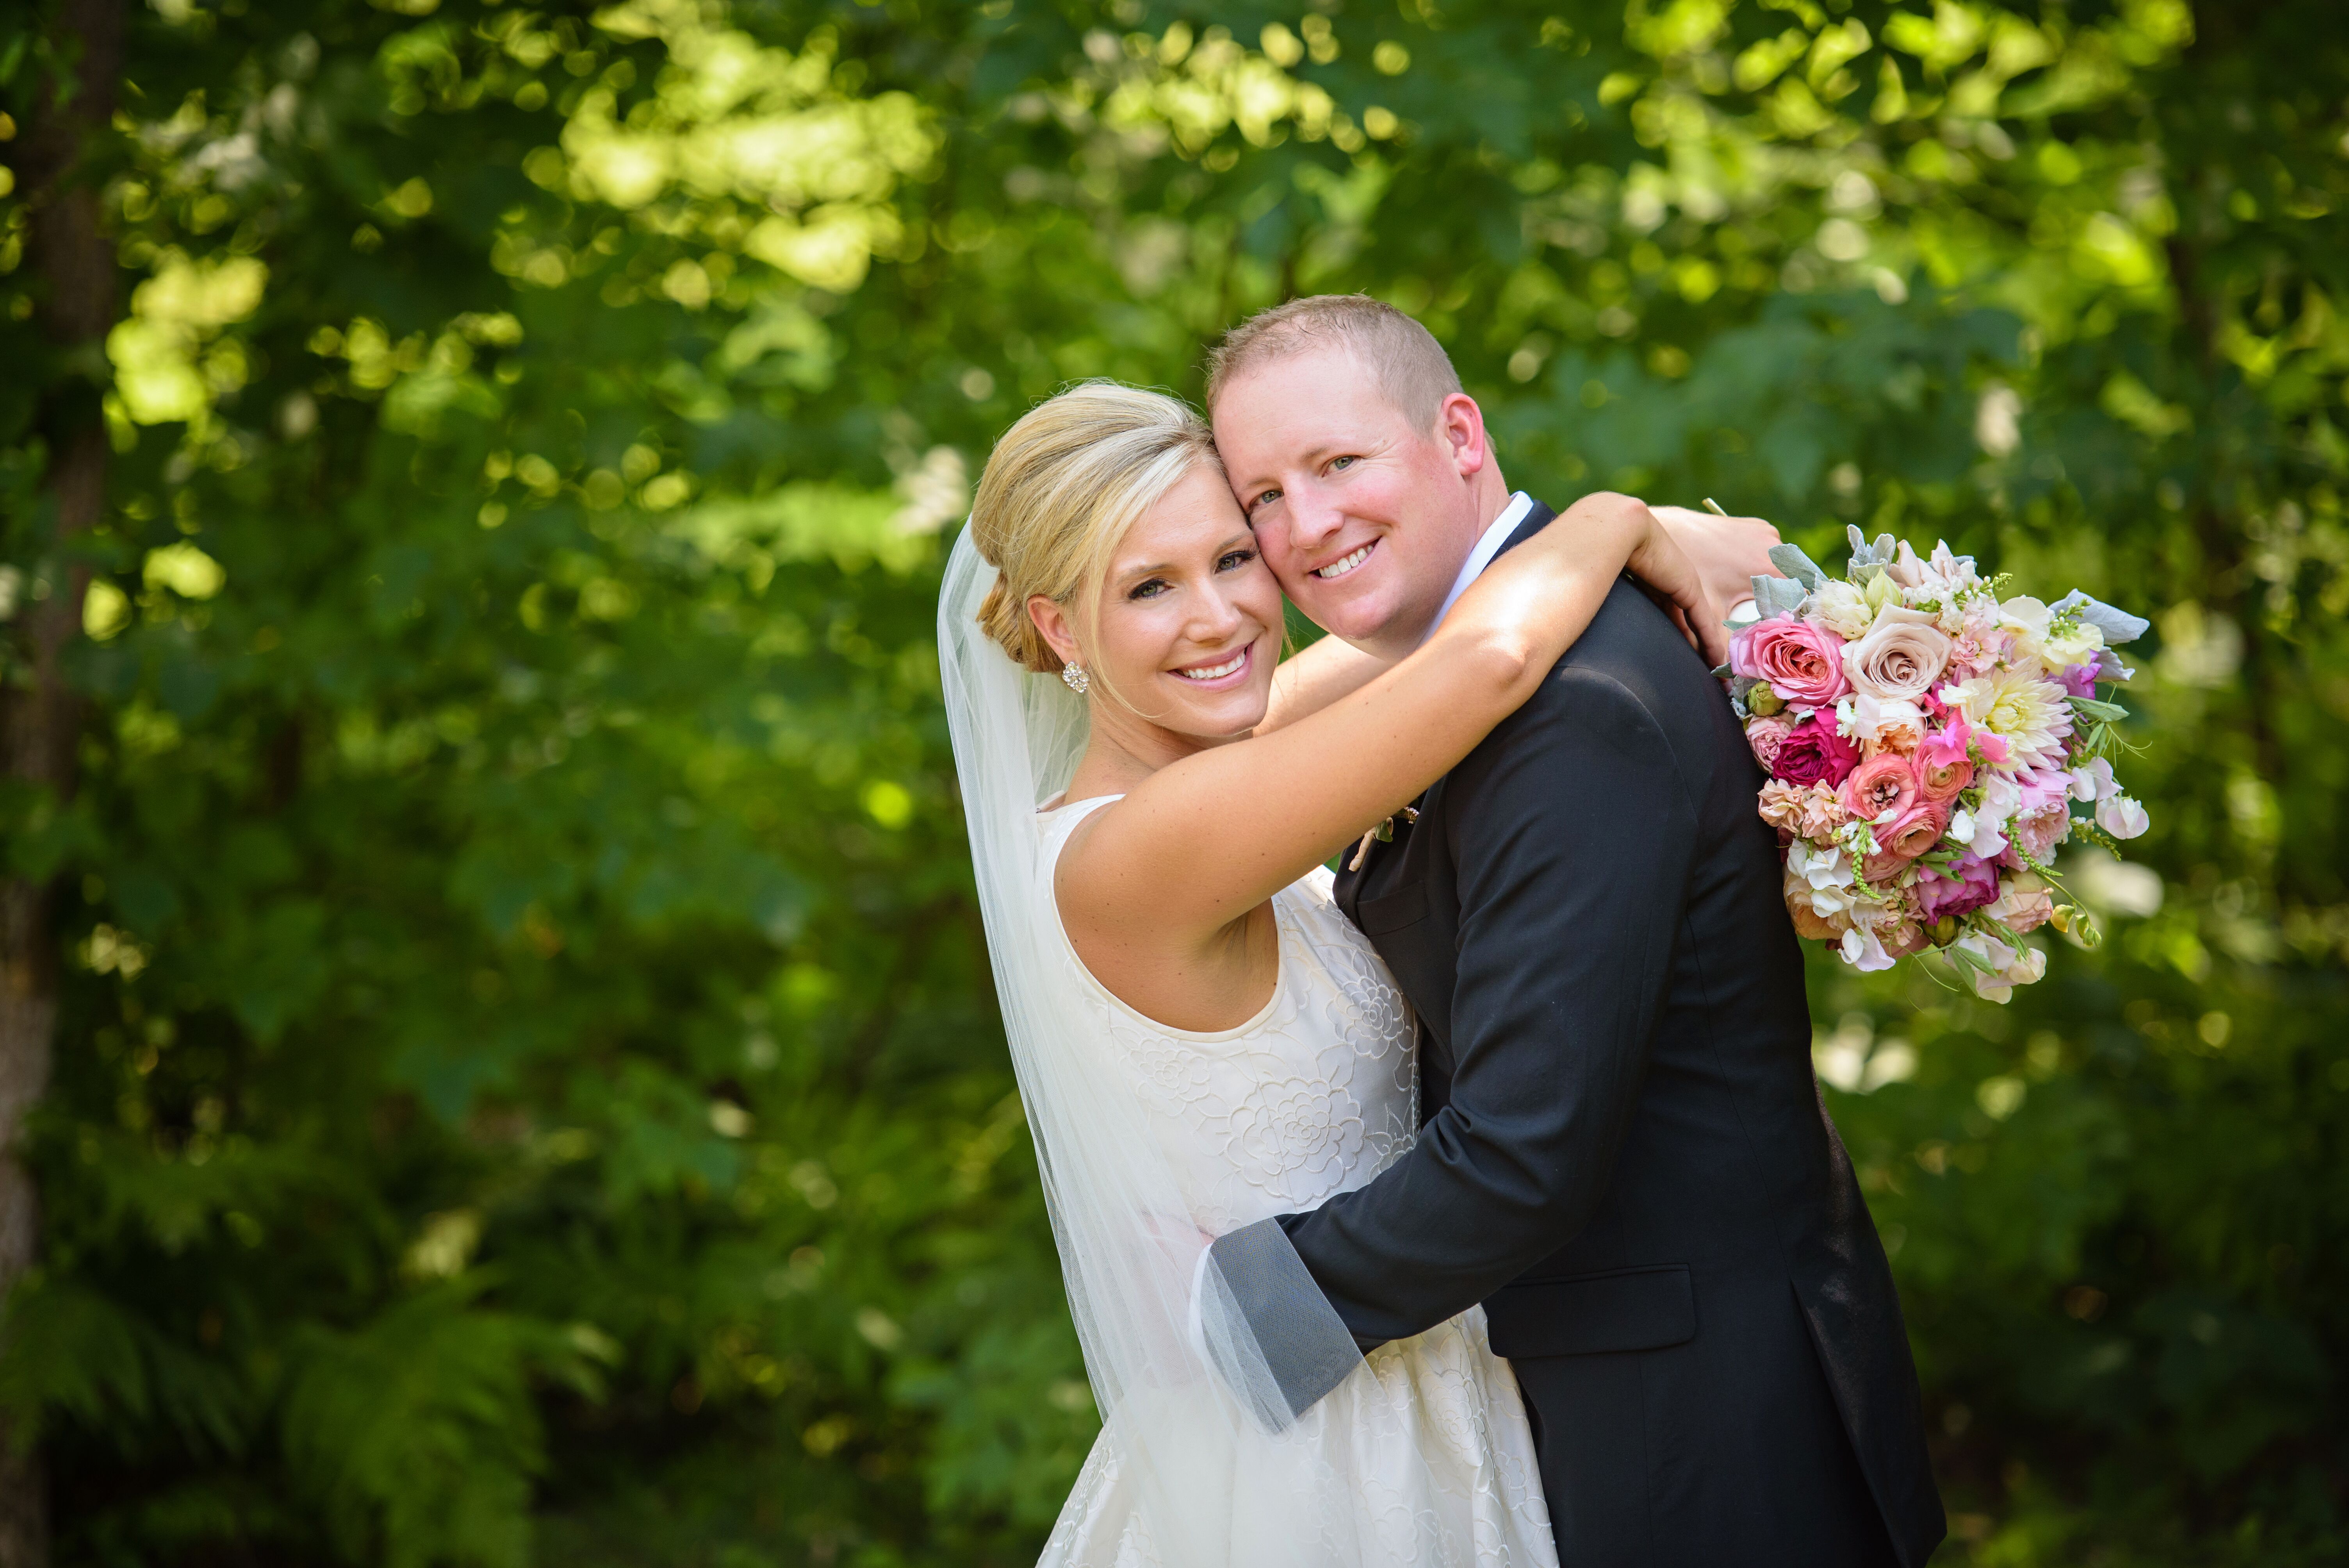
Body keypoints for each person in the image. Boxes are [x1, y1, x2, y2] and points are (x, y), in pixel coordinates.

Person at [939, 378, 1754, 1565]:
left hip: (1409, 1376)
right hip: (1330, 1456)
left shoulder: (1196, 768)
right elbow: (1486, 659)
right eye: (1150, 587)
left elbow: (1417, 642)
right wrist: (1617, 518)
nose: (1220, 618)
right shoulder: (1142, 850)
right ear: (1061, 629)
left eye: (1233, 557)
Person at [1201, 295, 1946, 1567]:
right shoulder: (1478, 659)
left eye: (1337, 463)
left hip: (1699, 1436)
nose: (1304, 525)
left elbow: (1523, 1153)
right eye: (1262, 496)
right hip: (1649, 1394)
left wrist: (1241, 1314)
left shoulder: (1573, 707)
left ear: (1458, 435)